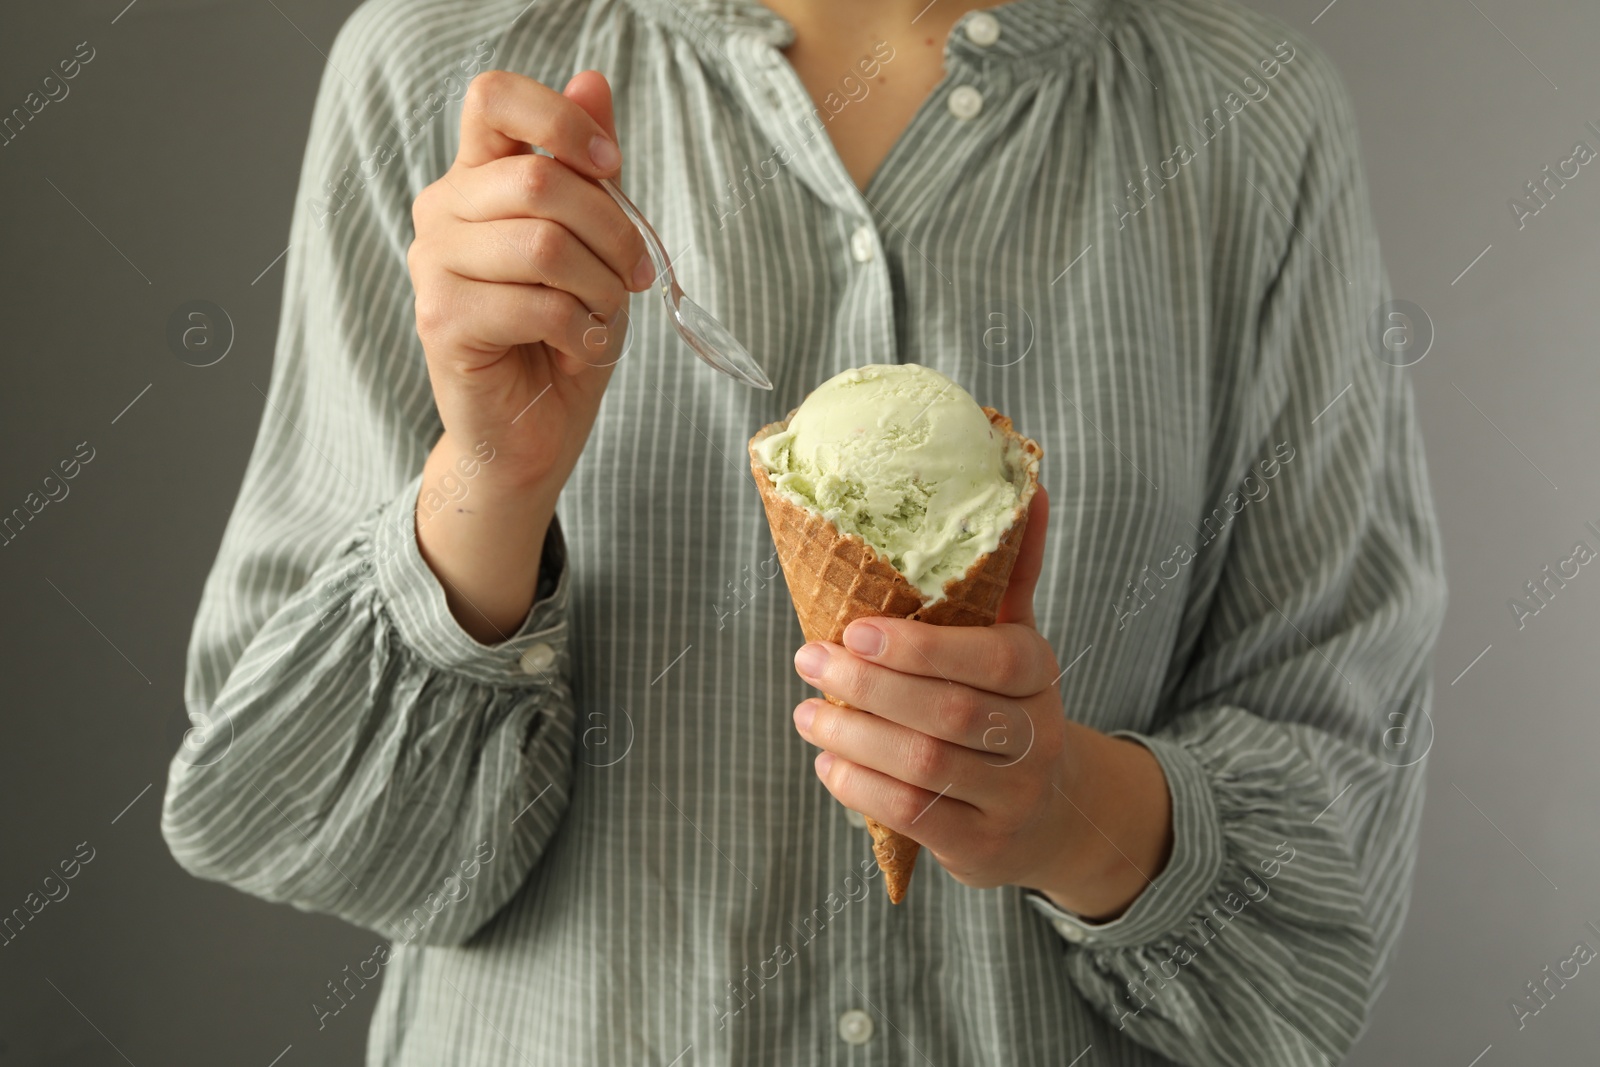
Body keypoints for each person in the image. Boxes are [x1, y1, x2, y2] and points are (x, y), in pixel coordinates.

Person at [161, 0, 1446, 1060]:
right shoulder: (442, 67)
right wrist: (490, 478)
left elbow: (1320, 926)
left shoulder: (1252, 118)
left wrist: (1069, 811)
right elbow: (296, 827)